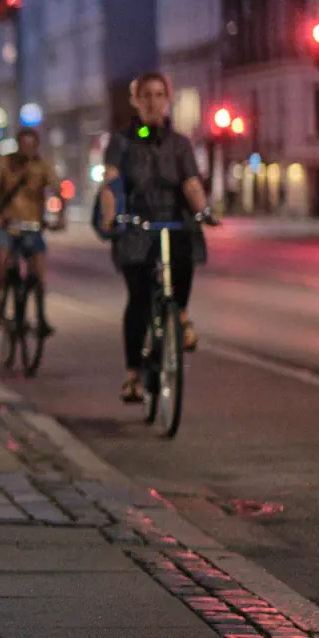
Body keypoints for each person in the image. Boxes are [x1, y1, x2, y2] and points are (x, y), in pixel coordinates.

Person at [97, 71, 214, 403]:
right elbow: (111, 183)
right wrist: (111, 217)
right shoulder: (121, 142)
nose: (153, 101)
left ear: (168, 99)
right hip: (136, 225)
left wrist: (203, 211)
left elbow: (191, 182)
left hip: (174, 223)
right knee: (138, 299)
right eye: (145, 95)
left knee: (185, 259)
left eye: (159, 94)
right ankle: (132, 375)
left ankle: (180, 316)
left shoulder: (179, 143)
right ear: (136, 101)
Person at [0, 128, 61, 336]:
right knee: (2, 257)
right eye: (24, 145)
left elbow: (58, 191)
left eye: (32, 146)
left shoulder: (43, 166)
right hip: (6, 225)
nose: (28, 150)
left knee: (39, 265)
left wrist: (60, 217)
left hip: (31, 226)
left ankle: (41, 316)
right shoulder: (4, 163)